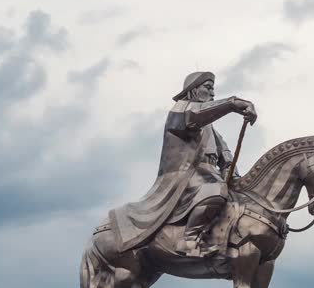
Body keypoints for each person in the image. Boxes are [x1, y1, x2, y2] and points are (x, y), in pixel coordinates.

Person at [109, 71, 257, 257]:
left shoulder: (209, 126)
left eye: (213, 89)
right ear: (193, 90)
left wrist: (231, 169)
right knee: (216, 191)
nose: (212, 93)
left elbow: (223, 150)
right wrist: (233, 104)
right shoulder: (180, 110)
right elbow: (196, 116)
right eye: (208, 88)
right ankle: (189, 239)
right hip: (186, 174)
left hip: (211, 173)